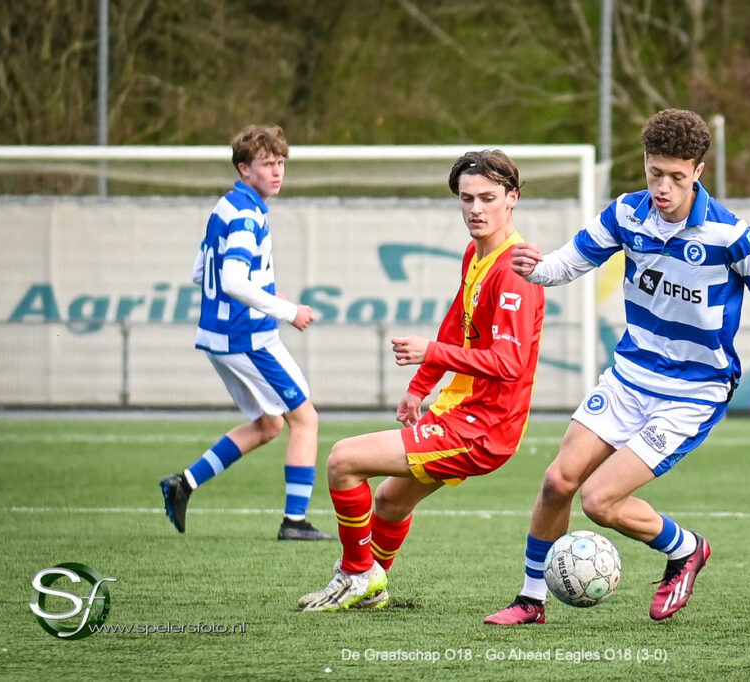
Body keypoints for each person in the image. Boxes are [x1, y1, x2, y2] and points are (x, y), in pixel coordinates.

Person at [484, 108, 750, 625]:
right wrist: (537, 269)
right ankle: (530, 601)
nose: (664, 188)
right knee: (558, 482)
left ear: (698, 170)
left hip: (692, 392)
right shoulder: (628, 214)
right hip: (630, 377)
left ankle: (686, 549)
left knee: (600, 501)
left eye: (677, 176)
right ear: (645, 164)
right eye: (656, 173)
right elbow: (573, 261)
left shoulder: (729, 234)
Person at [297, 149, 545, 611]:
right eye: (466, 198)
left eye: (488, 198)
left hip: (483, 427)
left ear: (512, 198)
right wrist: (420, 385)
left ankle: (355, 573)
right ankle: (372, 585)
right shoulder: (477, 253)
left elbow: (510, 362)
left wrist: (429, 353)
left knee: (342, 461)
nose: (475, 209)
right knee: (390, 503)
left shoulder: (515, 272)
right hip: (461, 412)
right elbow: (456, 323)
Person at [160, 124, 333, 541]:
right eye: (267, 164)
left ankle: (183, 483)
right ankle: (295, 523)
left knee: (269, 425)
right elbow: (235, 282)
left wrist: (265, 292)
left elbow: (200, 271)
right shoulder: (247, 215)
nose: (277, 172)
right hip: (248, 338)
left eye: (280, 164)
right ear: (244, 169)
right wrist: (287, 310)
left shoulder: (226, 206)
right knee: (306, 420)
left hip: (218, 337)